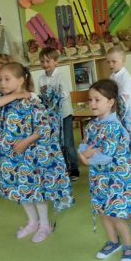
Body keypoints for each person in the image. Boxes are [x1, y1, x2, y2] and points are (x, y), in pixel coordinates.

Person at [0, 62, 73, 243]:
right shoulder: (3, 98)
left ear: (21, 80)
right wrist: (17, 94)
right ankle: (33, 222)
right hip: (12, 156)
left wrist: (25, 142)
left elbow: (43, 127)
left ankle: (44, 225)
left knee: (35, 191)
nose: (2, 83)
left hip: (30, 156)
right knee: (21, 191)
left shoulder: (32, 101)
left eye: (7, 79)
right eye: (0, 79)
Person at [78, 79, 131, 261]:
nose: (92, 104)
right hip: (99, 179)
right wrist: (84, 153)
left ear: (110, 102)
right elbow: (84, 145)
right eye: (90, 100)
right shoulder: (92, 125)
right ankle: (113, 241)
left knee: (116, 214)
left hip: (117, 180)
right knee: (103, 211)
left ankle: (129, 245)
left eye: (97, 100)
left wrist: (86, 158)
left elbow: (105, 156)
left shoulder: (114, 127)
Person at [37, 47, 80, 179]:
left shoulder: (61, 76)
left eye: (48, 61)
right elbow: (43, 96)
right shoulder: (41, 78)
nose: (45, 64)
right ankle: (63, 168)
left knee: (68, 142)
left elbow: (64, 94)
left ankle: (74, 169)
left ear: (56, 61)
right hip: (52, 116)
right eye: (42, 61)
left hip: (64, 114)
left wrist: (53, 97)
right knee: (57, 142)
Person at [106, 45, 131, 144]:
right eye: (108, 62)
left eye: (114, 61)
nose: (111, 64)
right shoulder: (112, 76)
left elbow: (124, 99)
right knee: (123, 139)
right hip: (119, 112)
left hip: (129, 113)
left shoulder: (126, 78)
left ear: (123, 61)